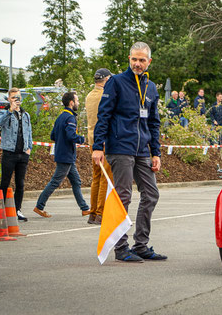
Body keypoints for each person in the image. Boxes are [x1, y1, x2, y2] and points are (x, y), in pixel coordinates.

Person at [92, 41, 167, 262]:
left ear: (149, 62)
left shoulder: (151, 88)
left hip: (143, 150)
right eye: (134, 59)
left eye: (142, 60)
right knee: (123, 195)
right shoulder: (116, 82)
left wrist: (156, 153)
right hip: (120, 148)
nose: (137, 63)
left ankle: (141, 244)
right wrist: (98, 147)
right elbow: (103, 116)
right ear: (129, 59)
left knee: (151, 194)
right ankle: (121, 247)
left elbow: (154, 122)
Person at [34, 92, 90, 218]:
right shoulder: (70, 118)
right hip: (66, 155)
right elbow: (71, 135)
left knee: (76, 181)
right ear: (71, 102)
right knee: (55, 182)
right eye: (77, 100)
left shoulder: (60, 117)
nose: (78, 103)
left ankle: (84, 208)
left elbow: (53, 135)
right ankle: (39, 206)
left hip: (64, 154)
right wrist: (81, 139)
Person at [0, 87, 33, 221]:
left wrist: (29, 148)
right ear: (9, 99)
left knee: (20, 183)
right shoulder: (5, 113)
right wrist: (10, 110)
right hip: (9, 153)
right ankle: (1, 209)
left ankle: (17, 209)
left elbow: (29, 132)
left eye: (18, 97)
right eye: (13, 98)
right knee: (5, 181)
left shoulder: (25, 115)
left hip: (22, 154)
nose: (16, 100)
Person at [85, 68, 114, 225]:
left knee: (96, 177)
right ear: (107, 80)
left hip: (92, 140)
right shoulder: (105, 96)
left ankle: (92, 212)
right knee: (106, 177)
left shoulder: (90, 96)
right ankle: (101, 213)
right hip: (103, 141)